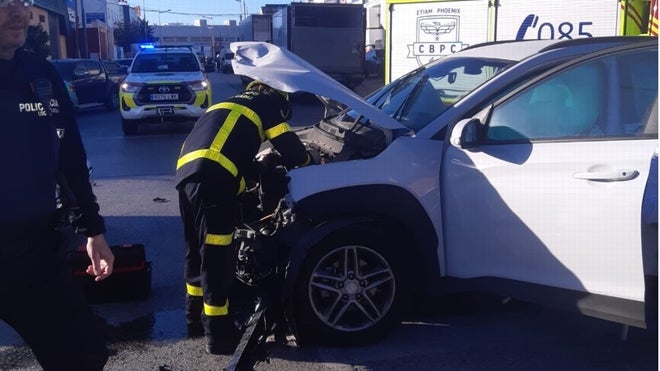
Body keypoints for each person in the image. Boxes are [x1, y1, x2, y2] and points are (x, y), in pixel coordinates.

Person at [0, 1, 115, 370]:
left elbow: (69, 157)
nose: (16, 13)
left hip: (34, 252)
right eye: (2, 4)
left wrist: (93, 230)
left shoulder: (39, 72)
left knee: (83, 357)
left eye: (19, 1)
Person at [176, 80, 312, 354]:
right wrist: (311, 163)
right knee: (216, 256)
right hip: (214, 182)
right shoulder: (267, 106)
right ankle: (218, 335)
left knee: (196, 249)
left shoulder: (232, 103)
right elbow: (294, 153)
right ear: (281, 100)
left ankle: (193, 319)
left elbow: (228, 147)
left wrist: (254, 173)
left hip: (186, 177)